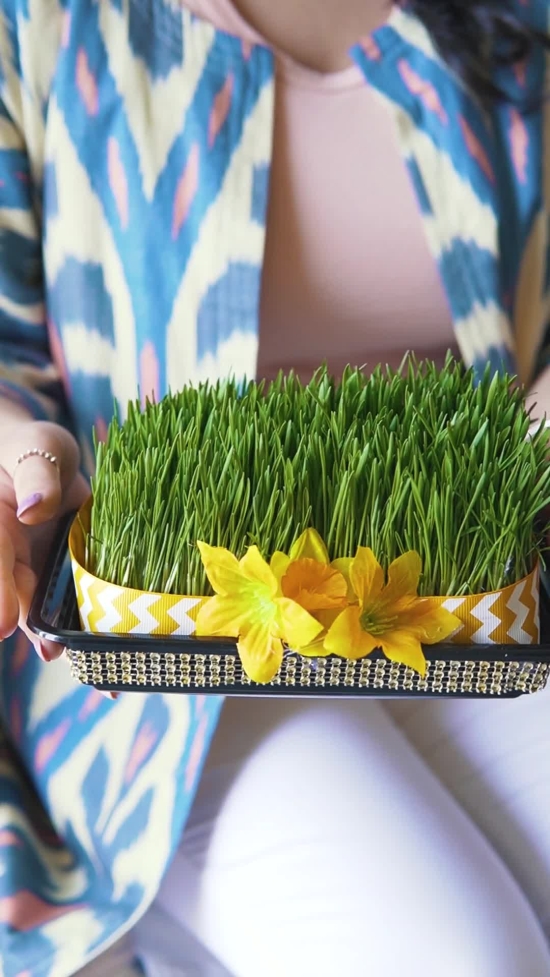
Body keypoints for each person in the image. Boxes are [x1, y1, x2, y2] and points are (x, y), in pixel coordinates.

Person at [0, 0, 550, 974]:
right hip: (162, 656)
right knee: (464, 955)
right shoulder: (42, 25)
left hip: (464, 615)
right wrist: (25, 463)